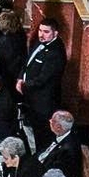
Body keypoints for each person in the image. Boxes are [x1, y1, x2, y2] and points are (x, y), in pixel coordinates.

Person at [20, 19, 68, 148]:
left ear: (55, 33)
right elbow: (27, 63)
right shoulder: (39, 42)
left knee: (43, 134)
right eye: (40, 30)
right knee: (35, 130)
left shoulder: (55, 53)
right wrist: (20, 78)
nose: (41, 34)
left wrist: (24, 85)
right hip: (32, 99)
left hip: (44, 102)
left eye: (46, 32)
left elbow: (43, 79)